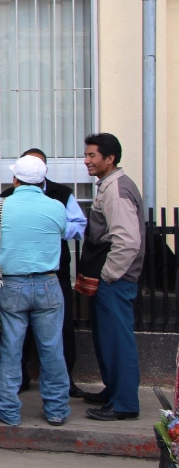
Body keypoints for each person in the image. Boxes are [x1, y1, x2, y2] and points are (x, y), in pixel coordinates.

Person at [0, 155, 70, 427]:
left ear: (15, 179)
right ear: (42, 180)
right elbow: (64, 233)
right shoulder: (56, 206)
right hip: (48, 283)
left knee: (10, 349)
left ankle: (8, 410)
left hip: (11, 284)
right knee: (52, 348)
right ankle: (56, 409)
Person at [0, 148, 87, 397]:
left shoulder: (61, 195)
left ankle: (64, 384)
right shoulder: (6, 198)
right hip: (16, 274)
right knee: (17, 338)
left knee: (60, 334)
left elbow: (78, 225)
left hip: (52, 273)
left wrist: (50, 229)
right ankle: (23, 382)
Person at [80, 133, 145, 421]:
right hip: (112, 280)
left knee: (118, 340)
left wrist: (108, 275)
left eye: (93, 155)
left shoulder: (117, 189)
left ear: (110, 159)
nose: (87, 160)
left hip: (115, 281)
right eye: (87, 155)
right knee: (107, 338)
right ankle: (114, 392)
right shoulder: (109, 186)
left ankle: (125, 404)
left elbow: (128, 241)